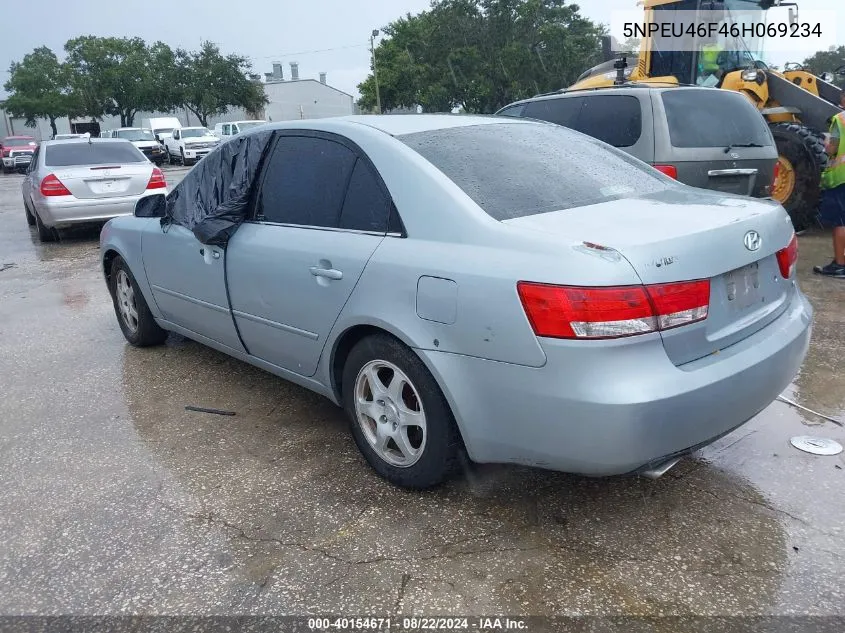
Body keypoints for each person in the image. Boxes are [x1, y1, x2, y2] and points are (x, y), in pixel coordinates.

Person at [814, 92, 845, 278]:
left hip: (841, 177)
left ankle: (840, 264)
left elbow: (832, 148)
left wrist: (825, 142)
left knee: (840, 221)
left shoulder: (840, 120)